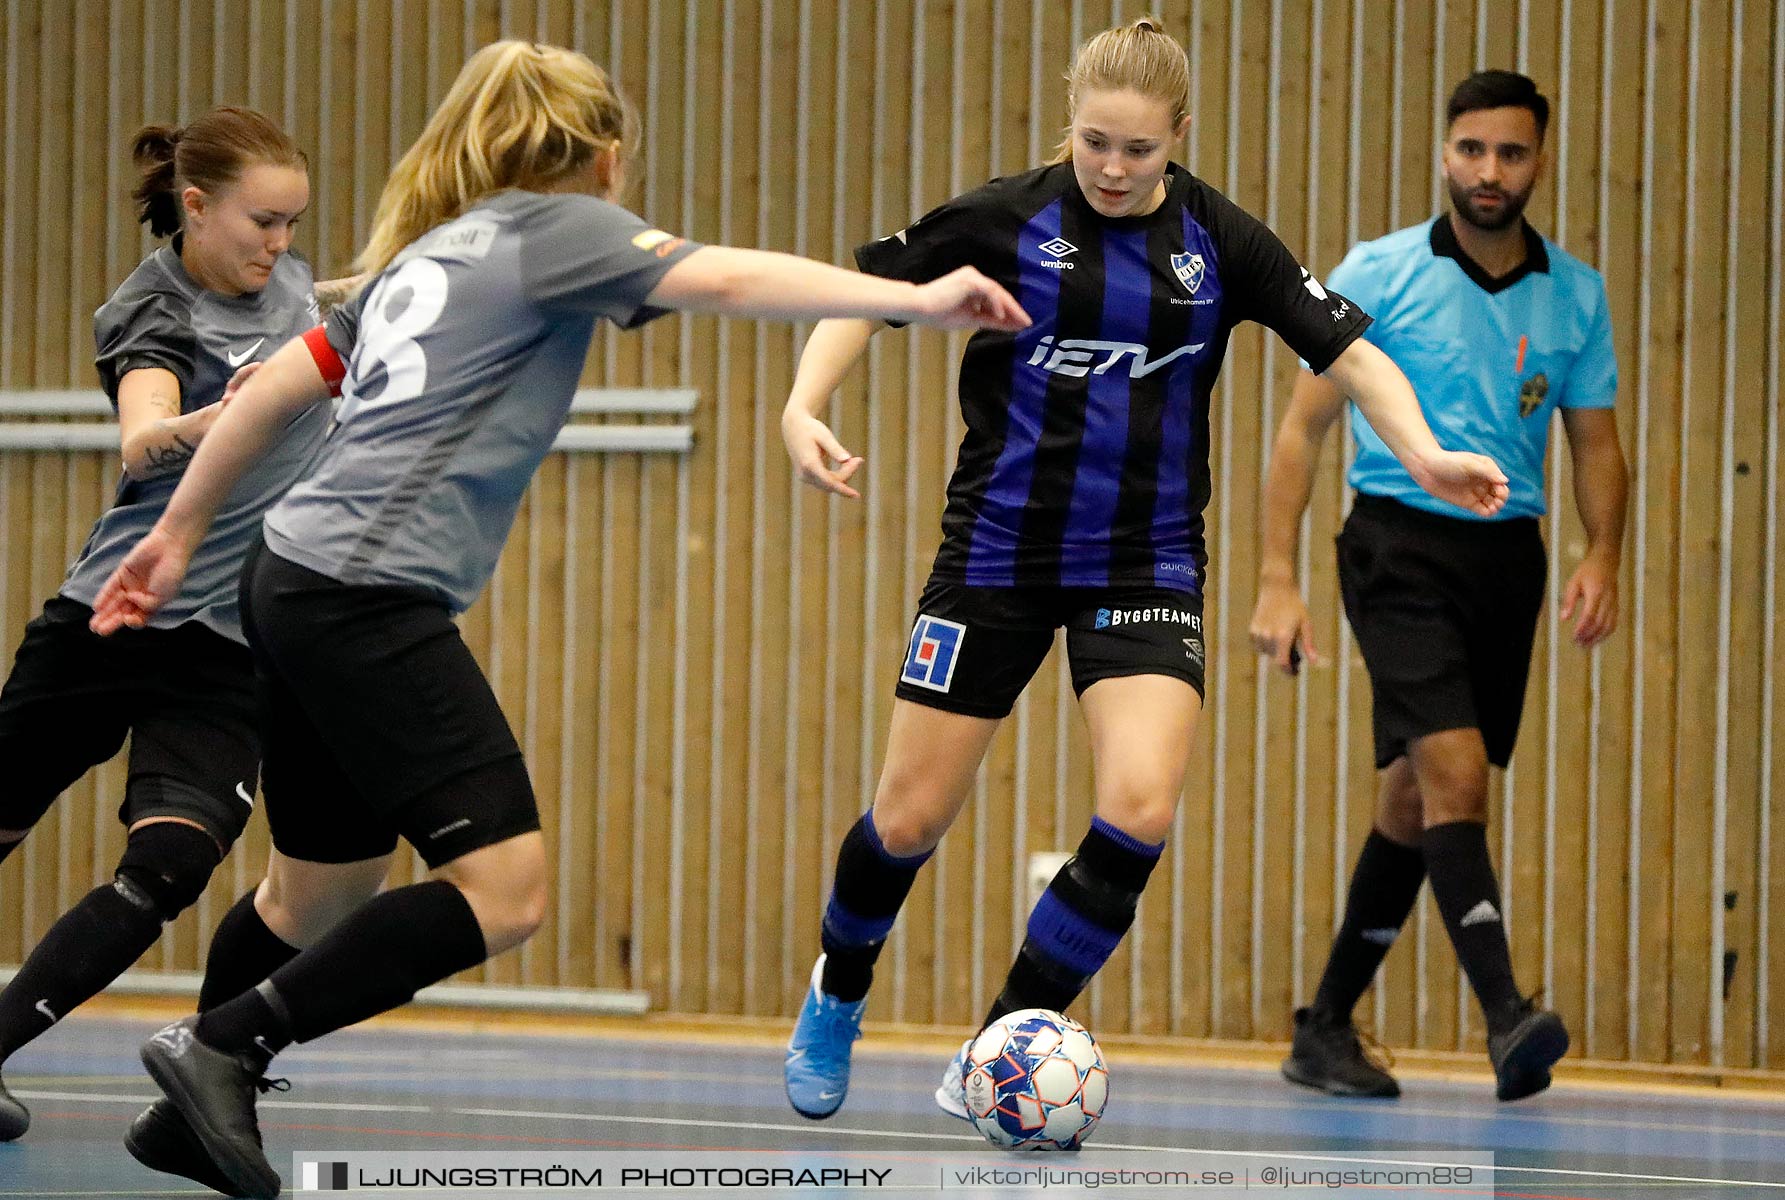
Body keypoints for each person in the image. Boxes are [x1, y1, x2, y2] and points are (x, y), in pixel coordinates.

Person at [88, 40, 1029, 1200]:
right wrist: (917, 297)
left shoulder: (432, 247)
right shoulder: (554, 226)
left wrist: (177, 536)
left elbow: (277, 384)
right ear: (605, 154)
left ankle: (191, 1097)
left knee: (315, 891)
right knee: (507, 889)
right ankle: (220, 1048)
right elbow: (726, 281)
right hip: (361, 596)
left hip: (288, 576)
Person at [778, 16, 1511, 1124]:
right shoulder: (1008, 216)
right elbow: (865, 292)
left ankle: (996, 1047)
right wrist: (802, 405)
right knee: (908, 819)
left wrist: (1423, 452)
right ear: (1069, 127)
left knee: (1140, 809)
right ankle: (838, 989)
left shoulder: (1219, 241)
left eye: (1140, 151)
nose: (1115, 171)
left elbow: (1353, 353)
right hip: (999, 552)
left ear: (1179, 139)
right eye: (1094, 145)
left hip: (1147, 558)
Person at [1250, 69, 1627, 1102]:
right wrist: (1276, 578)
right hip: (1397, 546)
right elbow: (1300, 431)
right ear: (1444, 152)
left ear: (1539, 161)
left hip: (1508, 558)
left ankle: (1324, 1026)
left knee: (1417, 800)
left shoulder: (1576, 295)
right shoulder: (1376, 272)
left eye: (1511, 153)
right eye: (1472, 150)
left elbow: (1595, 443)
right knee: (1457, 774)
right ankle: (1507, 1016)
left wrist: (1603, 554)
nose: (1490, 171)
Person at [0, 108, 342, 1166]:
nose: (279, 245)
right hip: (117, 615)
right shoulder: (148, 311)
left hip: (233, 643)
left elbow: (312, 304)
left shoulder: (283, 280)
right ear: (195, 207)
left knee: (173, 864)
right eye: (261, 222)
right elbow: (146, 441)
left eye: (292, 224)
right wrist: (225, 414)